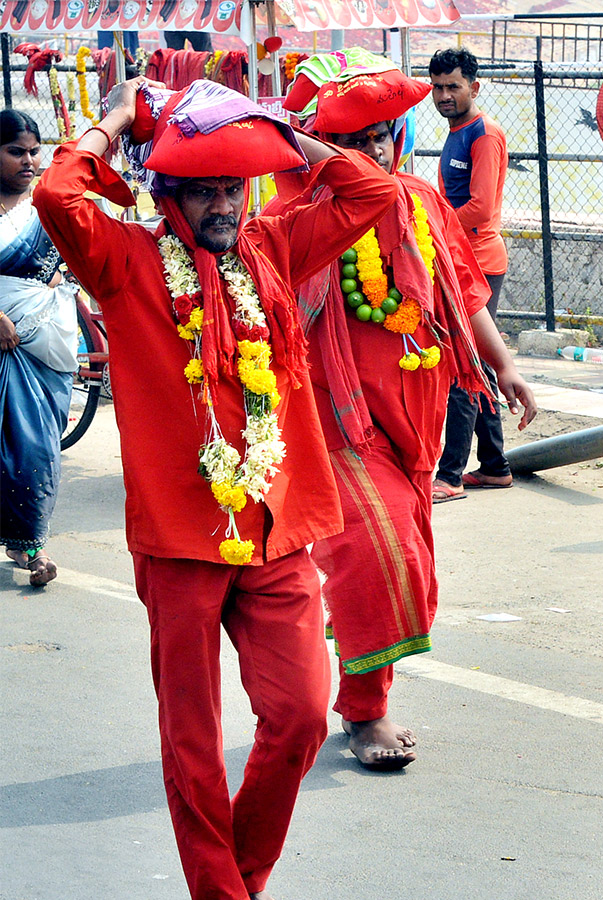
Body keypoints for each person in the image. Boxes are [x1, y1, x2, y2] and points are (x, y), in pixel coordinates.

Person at [33, 77, 398, 900]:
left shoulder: (274, 246)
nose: (222, 204)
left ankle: (238, 878)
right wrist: (120, 118)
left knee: (302, 715)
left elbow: (370, 189)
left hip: (276, 531)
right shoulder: (125, 262)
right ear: (168, 195)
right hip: (179, 541)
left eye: (232, 185)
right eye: (201, 190)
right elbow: (59, 194)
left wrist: (273, 129)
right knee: (192, 741)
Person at [272, 55, 536, 770]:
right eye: (356, 145)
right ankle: (365, 714)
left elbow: (462, 290)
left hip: (413, 415)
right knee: (379, 555)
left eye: (383, 139)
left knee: (401, 556)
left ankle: (358, 677)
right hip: (334, 421)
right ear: (322, 149)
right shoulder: (290, 217)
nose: (374, 156)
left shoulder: (420, 200)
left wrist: (502, 364)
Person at [428, 46, 513, 502]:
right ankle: (496, 465)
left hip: (479, 261)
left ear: (473, 88)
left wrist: (426, 220)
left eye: (453, 87)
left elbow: (480, 208)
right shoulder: (456, 128)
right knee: (476, 361)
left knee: (463, 362)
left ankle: (451, 474)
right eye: (438, 87)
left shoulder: (484, 133)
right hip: (459, 258)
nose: (443, 95)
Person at [0, 110, 76, 587]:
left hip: (44, 341)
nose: (28, 161)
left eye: (33, 152)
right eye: (15, 152)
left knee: (36, 447)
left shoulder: (43, 209)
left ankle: (28, 541)